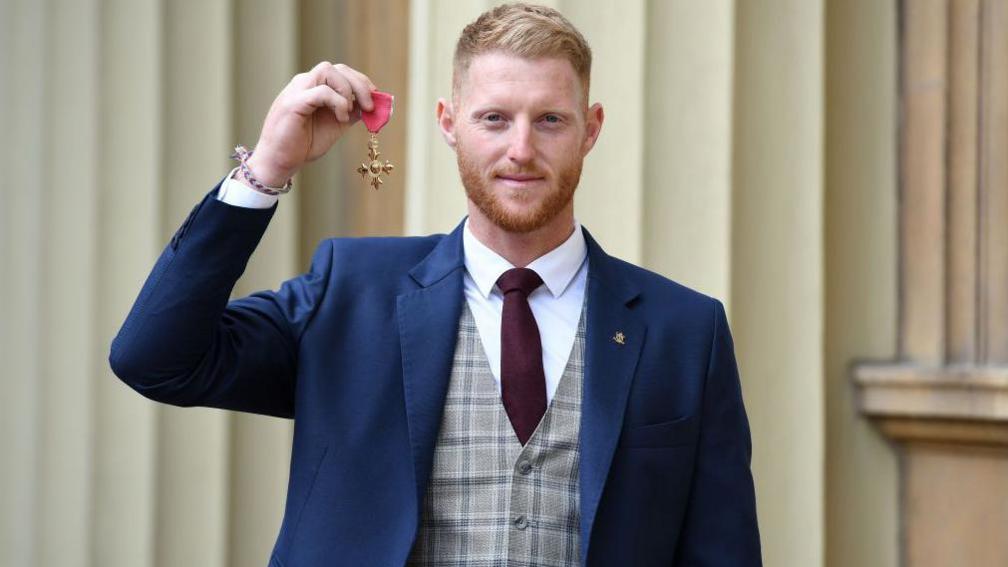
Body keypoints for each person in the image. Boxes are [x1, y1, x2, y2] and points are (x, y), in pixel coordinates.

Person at [110, 3, 761, 566]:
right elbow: (156, 358)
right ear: (449, 122)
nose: (521, 149)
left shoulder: (684, 332)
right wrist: (267, 169)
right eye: (495, 119)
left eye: (550, 121)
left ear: (590, 128)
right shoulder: (351, 294)